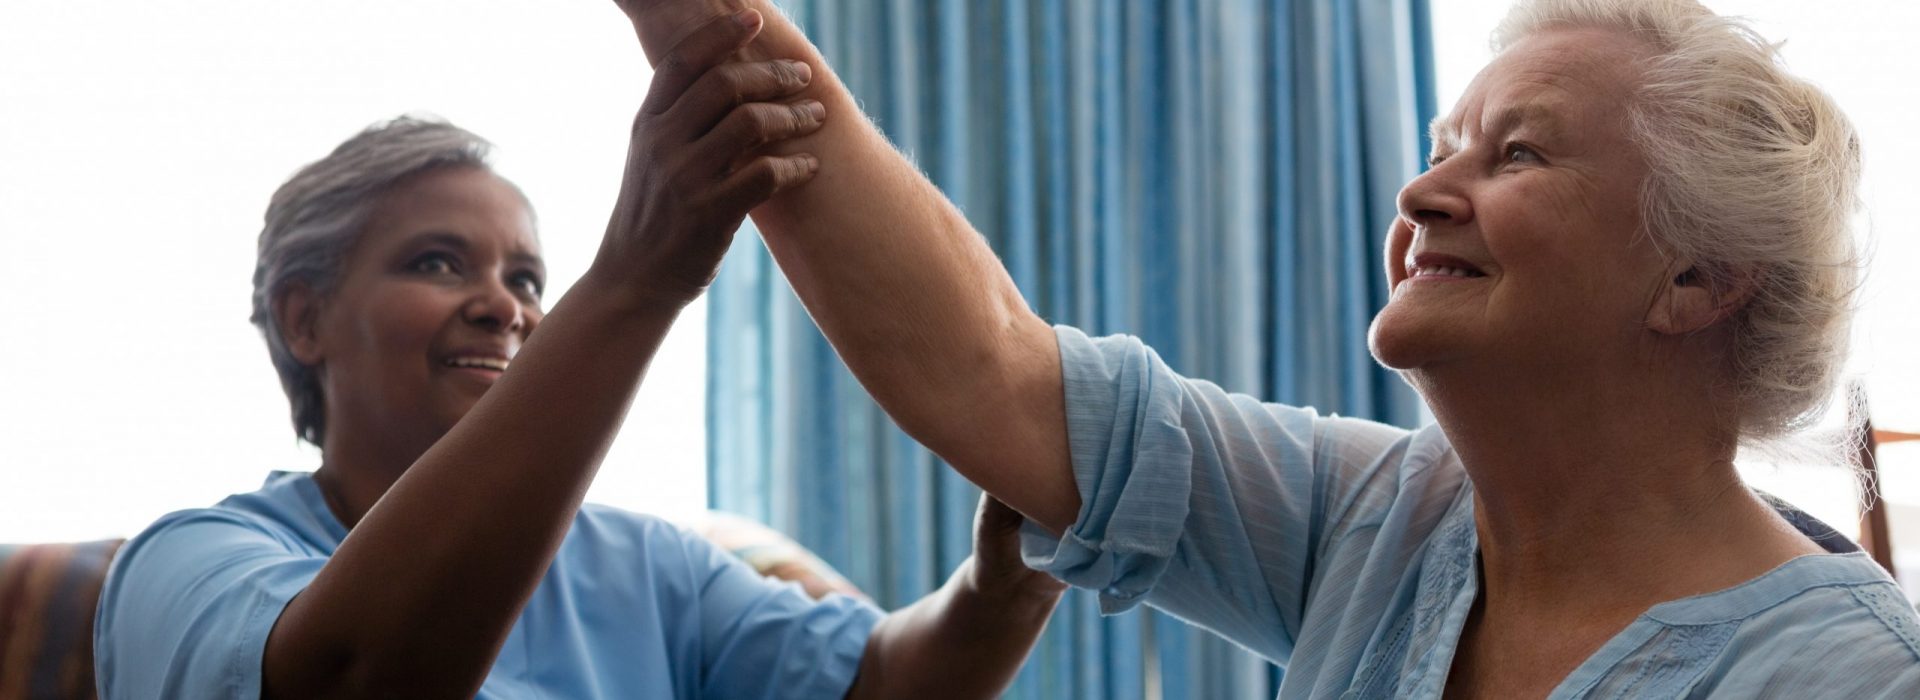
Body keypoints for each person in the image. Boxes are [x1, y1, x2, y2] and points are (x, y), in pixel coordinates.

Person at [615, 0, 1920, 696]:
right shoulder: (1380, 519)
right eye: (1434, 152)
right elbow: (992, 373)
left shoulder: (1843, 677)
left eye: (1514, 153)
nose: (1418, 198)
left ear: (1694, 278)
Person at [93, 13, 1063, 699]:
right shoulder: (185, 566)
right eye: (437, 262)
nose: (502, 307)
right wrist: (633, 280)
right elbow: (356, 678)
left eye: (526, 279)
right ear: (303, 319)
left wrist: (1004, 585)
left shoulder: (648, 568)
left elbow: (881, 681)